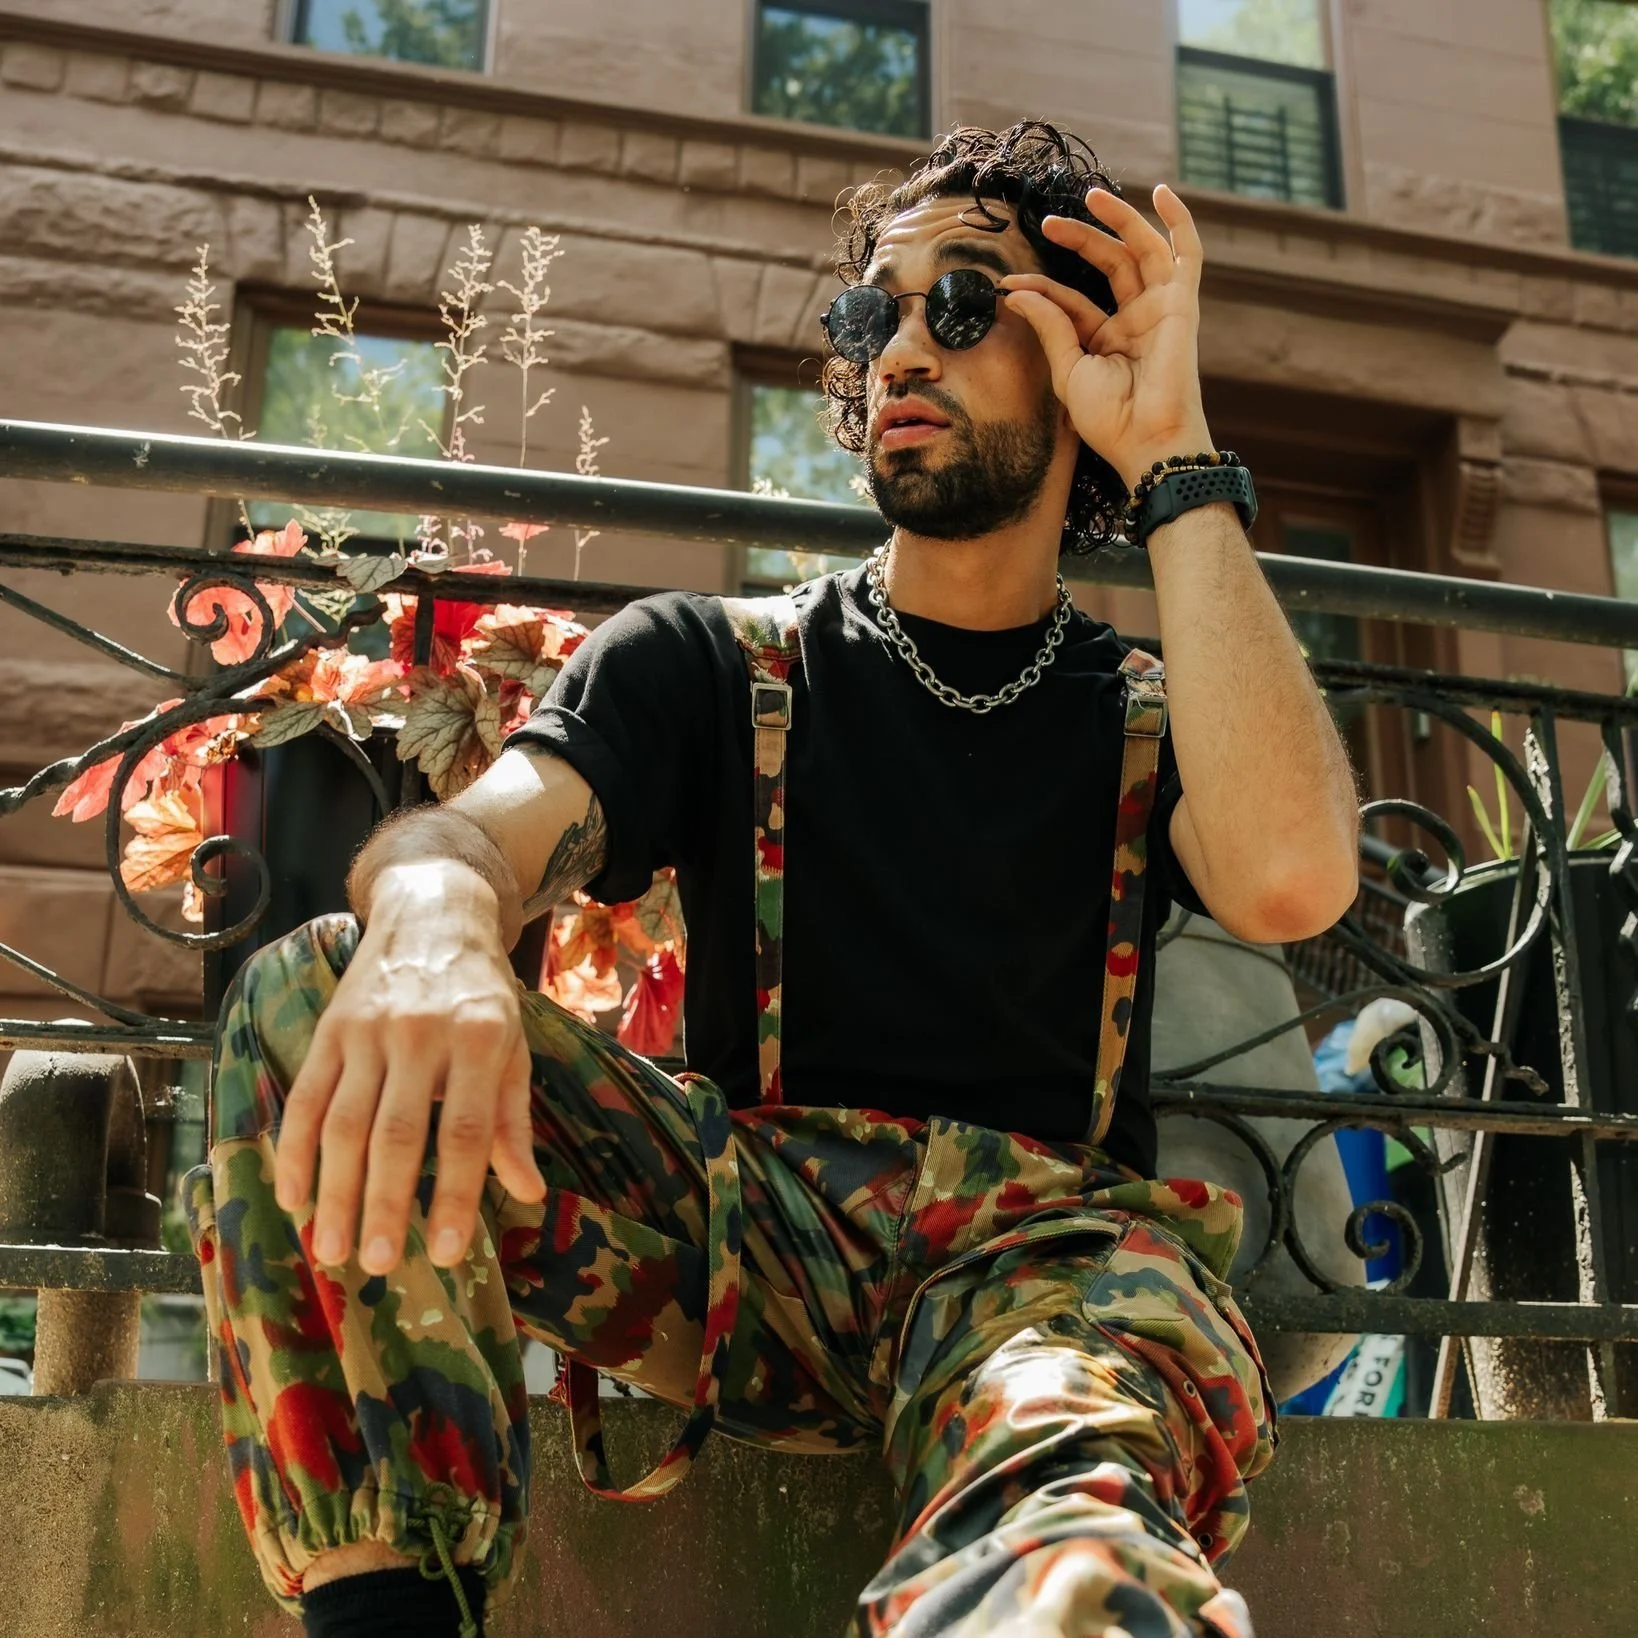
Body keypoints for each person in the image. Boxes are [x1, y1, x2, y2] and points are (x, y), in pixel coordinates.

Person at [184, 121, 1359, 1638]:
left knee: (1073, 1542)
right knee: (324, 975)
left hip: (1047, 1272)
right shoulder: (711, 661)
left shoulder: (1145, 706)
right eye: (873, 313)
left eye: (962, 302)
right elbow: (480, 832)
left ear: (1078, 353)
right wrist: (433, 918)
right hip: (748, 1238)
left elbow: (1287, 882)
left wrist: (1176, 460)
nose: (902, 353)